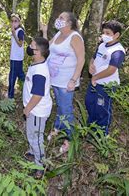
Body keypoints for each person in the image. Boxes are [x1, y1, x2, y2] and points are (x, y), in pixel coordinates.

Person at [41, 12, 85, 154]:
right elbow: (47, 48)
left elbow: (81, 59)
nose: (58, 19)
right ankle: (58, 128)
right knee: (60, 105)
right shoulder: (58, 35)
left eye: (61, 18)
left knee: (66, 110)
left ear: (69, 23)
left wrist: (74, 80)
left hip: (67, 81)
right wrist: (45, 32)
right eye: (58, 17)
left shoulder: (75, 37)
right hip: (55, 79)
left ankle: (70, 139)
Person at [85, 20, 126, 135]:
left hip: (106, 85)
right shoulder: (102, 45)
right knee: (89, 102)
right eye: (103, 32)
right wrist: (90, 66)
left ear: (116, 35)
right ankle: (91, 128)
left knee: (102, 108)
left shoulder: (118, 51)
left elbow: (111, 69)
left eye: (108, 33)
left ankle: (102, 134)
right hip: (95, 82)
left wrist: (95, 77)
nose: (104, 35)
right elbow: (94, 58)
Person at [23, 37, 52, 179]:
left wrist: (28, 108)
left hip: (37, 110)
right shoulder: (37, 63)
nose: (29, 47)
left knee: (36, 138)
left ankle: (40, 165)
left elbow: (37, 95)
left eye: (32, 46)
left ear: (38, 52)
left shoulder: (40, 71)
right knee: (31, 133)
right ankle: (33, 152)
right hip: (34, 110)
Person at [8, 13, 25, 99]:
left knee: (12, 76)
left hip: (16, 58)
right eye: (12, 21)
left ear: (19, 22)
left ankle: (10, 97)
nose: (14, 23)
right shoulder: (15, 30)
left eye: (16, 21)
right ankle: (29, 85)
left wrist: (14, 34)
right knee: (20, 74)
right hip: (14, 57)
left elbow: (20, 44)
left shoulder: (20, 31)